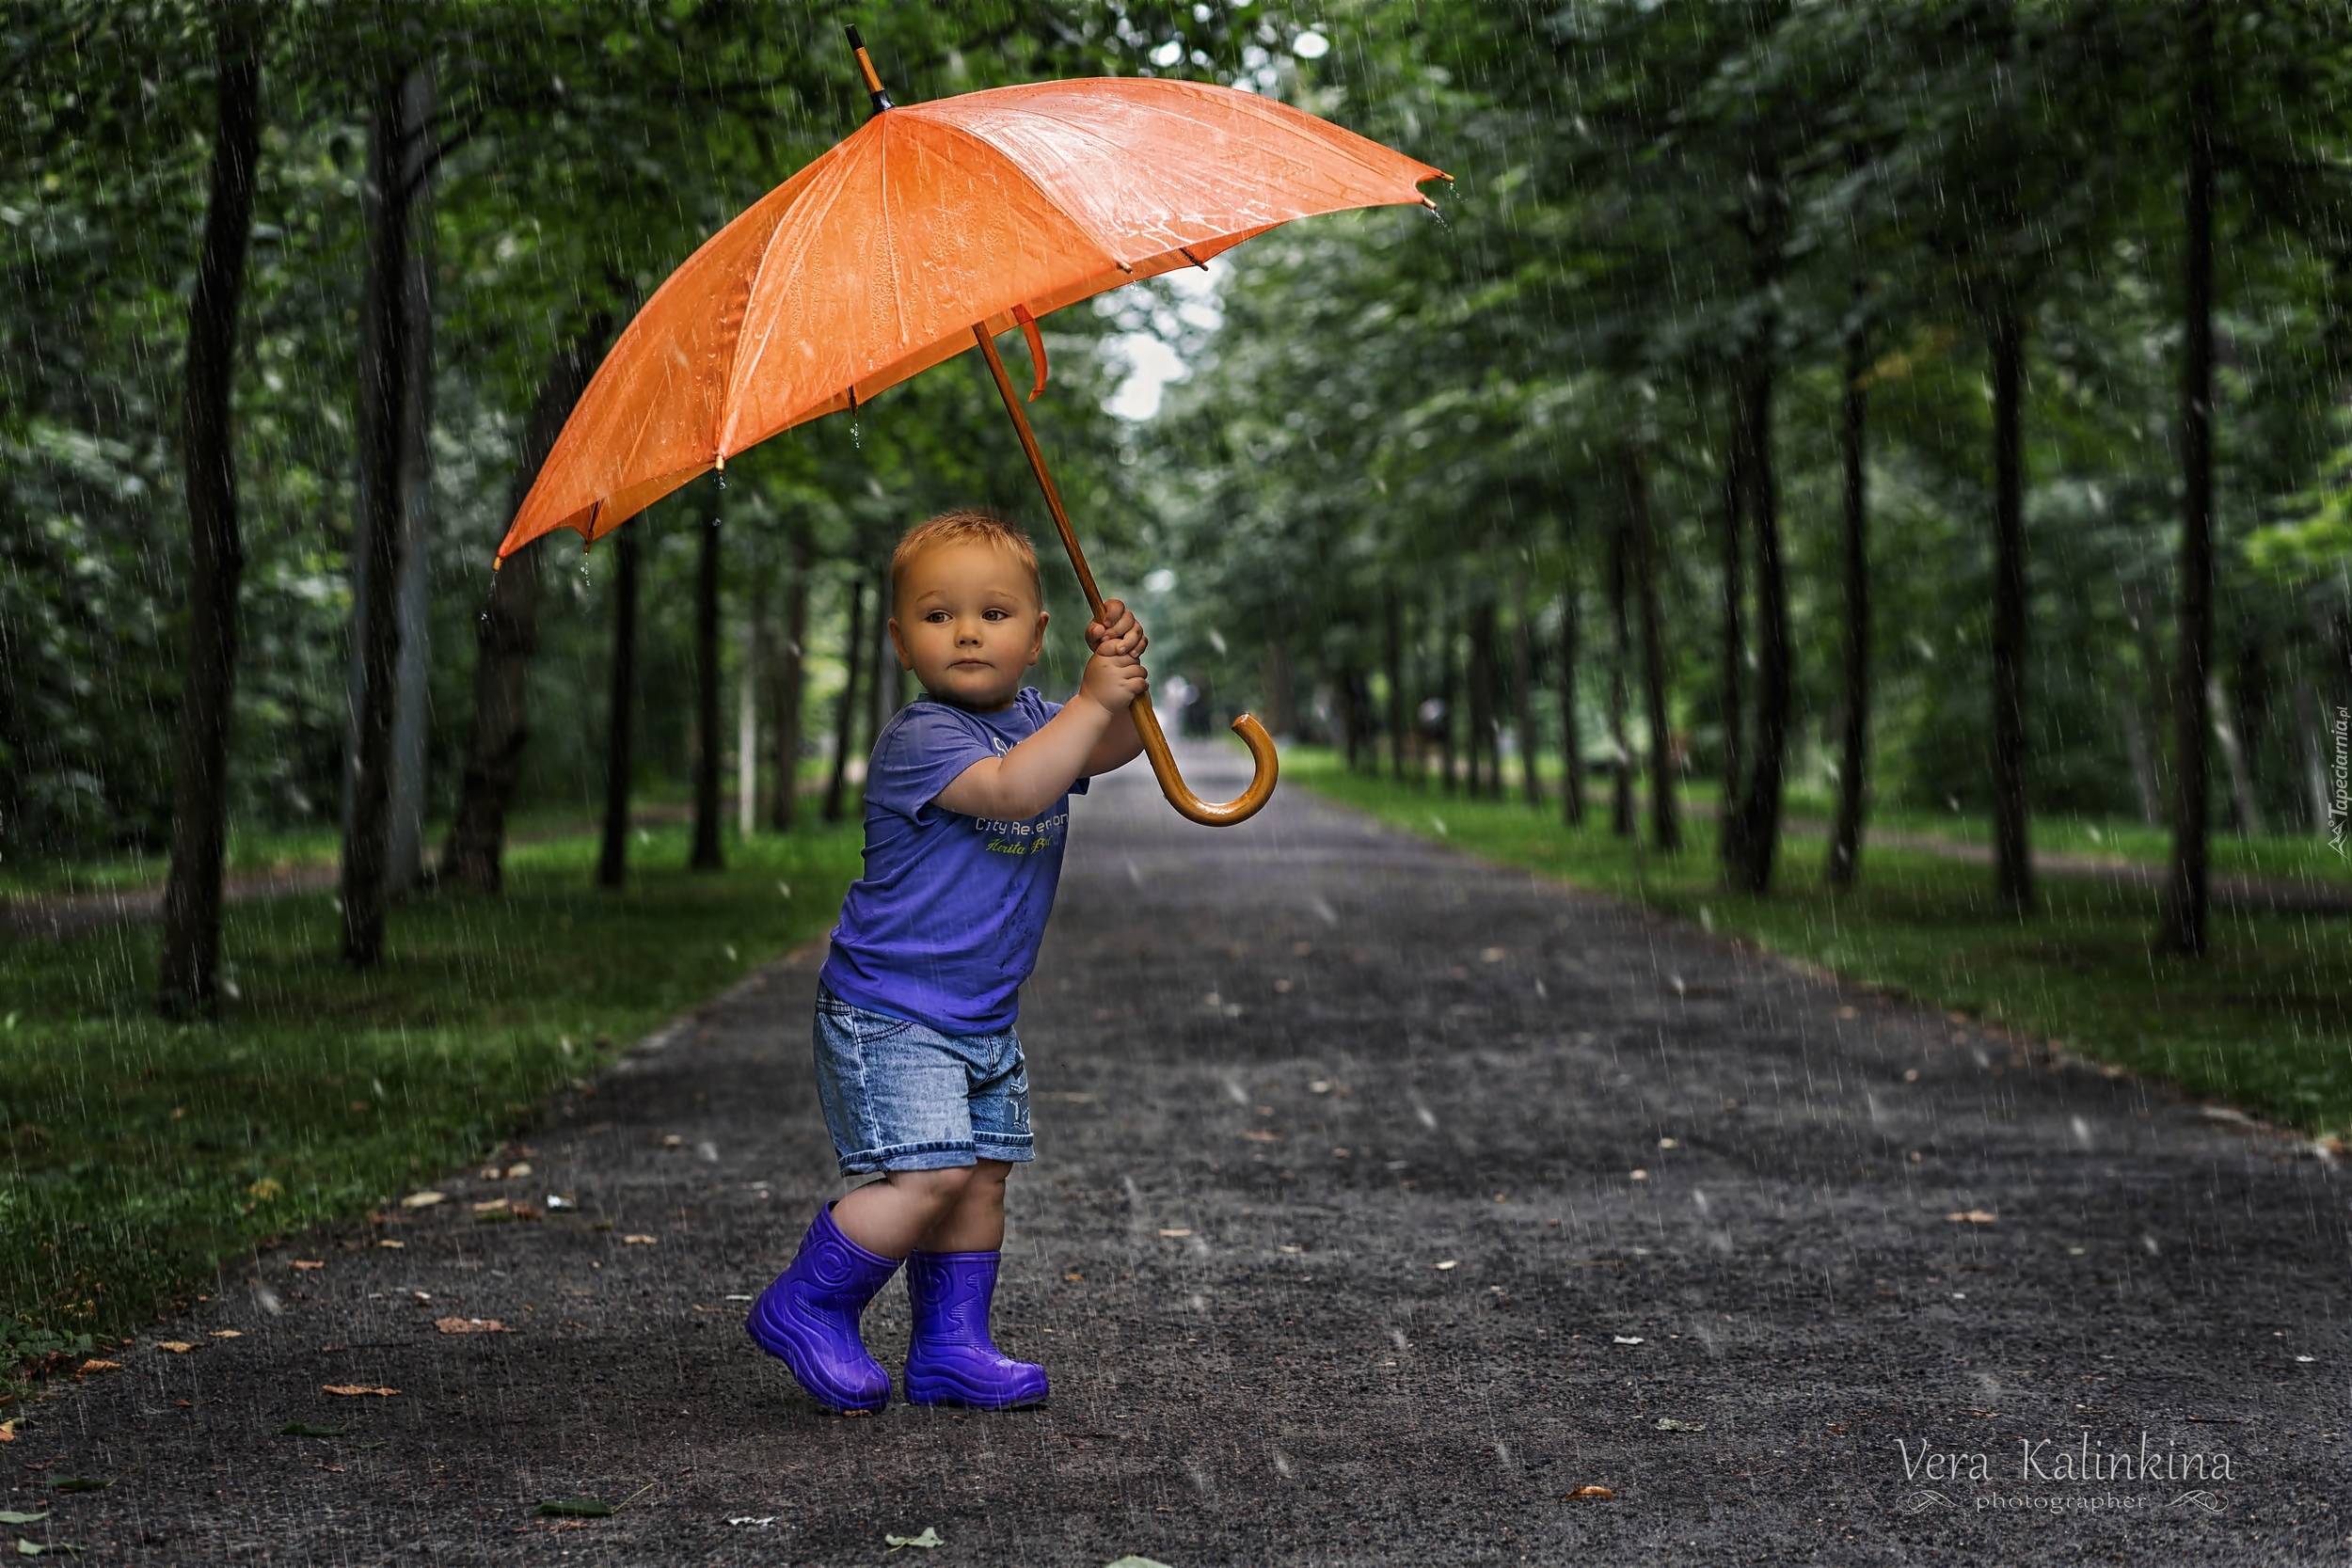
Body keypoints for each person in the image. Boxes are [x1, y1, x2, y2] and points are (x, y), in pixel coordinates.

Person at [746, 510, 1147, 1414]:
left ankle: (952, 1348)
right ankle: (808, 1301)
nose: (967, 631)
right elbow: (1015, 790)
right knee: (927, 1175)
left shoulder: (1044, 716)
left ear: (1038, 634)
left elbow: (1115, 743)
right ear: (899, 640)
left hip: (980, 1016)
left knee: (980, 1180)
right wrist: (1089, 701)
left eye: (994, 614)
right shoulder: (921, 739)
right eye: (937, 615)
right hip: (890, 1012)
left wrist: (1122, 682)